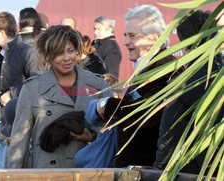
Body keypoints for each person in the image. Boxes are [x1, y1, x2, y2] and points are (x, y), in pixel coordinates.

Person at [86, 5, 184, 168]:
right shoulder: (152, 66)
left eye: (133, 36)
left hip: (150, 168)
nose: (125, 42)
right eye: (125, 35)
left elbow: (148, 112)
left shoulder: (165, 68)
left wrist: (105, 105)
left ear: (154, 37)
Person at [8, 25, 110, 168]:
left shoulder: (98, 84)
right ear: (48, 55)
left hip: (89, 170)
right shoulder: (32, 88)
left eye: (71, 51)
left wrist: (91, 136)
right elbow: (19, 141)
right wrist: (12, 176)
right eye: (59, 53)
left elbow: (113, 135)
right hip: (46, 172)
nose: (67, 58)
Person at [154, 10, 223, 174]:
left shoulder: (183, 84)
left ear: (185, 45)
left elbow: (167, 143)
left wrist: (158, 170)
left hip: (193, 172)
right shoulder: (219, 74)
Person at [0, 12, 39, 168]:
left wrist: (13, 93)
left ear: (2, 33)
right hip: (0, 118)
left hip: (19, 119)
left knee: (14, 167)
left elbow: (38, 81)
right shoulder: (3, 53)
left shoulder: (27, 52)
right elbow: (2, 88)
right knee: (0, 168)